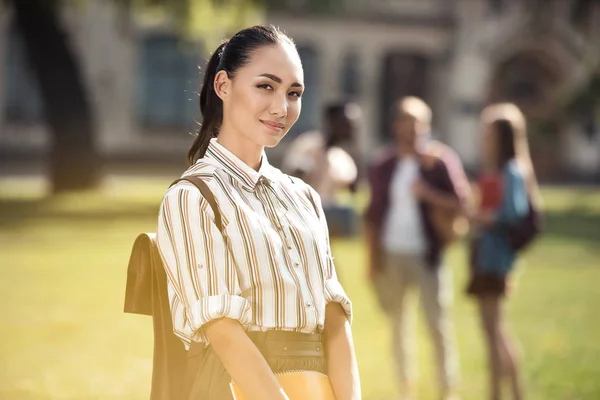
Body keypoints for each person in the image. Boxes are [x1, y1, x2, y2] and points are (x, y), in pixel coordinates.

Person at [155, 25, 361, 400]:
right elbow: (223, 332)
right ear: (223, 86)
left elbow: (334, 323)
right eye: (266, 86)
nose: (282, 108)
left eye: (294, 93)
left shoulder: (305, 198)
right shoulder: (192, 197)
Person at [364, 96, 470, 400]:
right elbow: (372, 214)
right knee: (398, 325)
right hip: (391, 253)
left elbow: (462, 204)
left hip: (428, 254)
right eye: (407, 123)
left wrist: (428, 194)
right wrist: (372, 260)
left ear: (427, 126)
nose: (413, 130)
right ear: (397, 126)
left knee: (438, 324)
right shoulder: (383, 164)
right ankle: (404, 389)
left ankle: (447, 390)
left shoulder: (439, 161)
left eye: (419, 124)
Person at [466, 103, 541, 400]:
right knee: (493, 330)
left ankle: (501, 393)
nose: (483, 137)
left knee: (495, 330)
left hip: (496, 259)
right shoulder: (498, 169)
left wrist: (482, 217)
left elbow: (513, 212)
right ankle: (507, 393)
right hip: (486, 255)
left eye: (488, 132)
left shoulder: (512, 170)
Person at [282, 102, 361, 205]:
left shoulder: (341, 157)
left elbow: (354, 189)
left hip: (325, 215)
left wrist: (355, 149)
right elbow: (293, 177)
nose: (350, 130)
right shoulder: (308, 145)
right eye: (346, 124)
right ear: (332, 122)